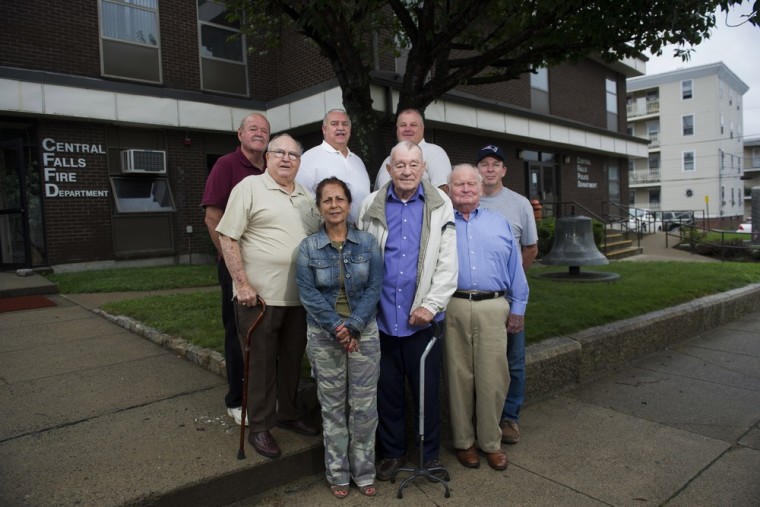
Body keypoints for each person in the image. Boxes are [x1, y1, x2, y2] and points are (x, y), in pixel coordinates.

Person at [357, 140, 458, 481]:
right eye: (400, 164)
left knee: (426, 393)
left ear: (423, 168)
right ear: (389, 169)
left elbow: (448, 263)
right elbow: (360, 257)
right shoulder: (372, 203)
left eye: (414, 164)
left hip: (422, 321)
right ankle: (394, 453)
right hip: (381, 319)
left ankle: (429, 457)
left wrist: (430, 305)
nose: (407, 171)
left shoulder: (439, 203)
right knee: (387, 392)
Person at [216, 134, 322, 459]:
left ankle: (288, 413)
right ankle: (260, 426)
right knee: (260, 361)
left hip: (299, 298)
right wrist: (242, 283)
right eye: (279, 153)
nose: (286, 159)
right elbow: (227, 236)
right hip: (259, 297)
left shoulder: (306, 196)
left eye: (293, 154)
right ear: (267, 157)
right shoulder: (249, 188)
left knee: (292, 358)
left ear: (299, 162)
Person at [296, 177, 383, 499]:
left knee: (363, 407)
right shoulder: (308, 248)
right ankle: (337, 473)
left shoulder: (368, 244)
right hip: (323, 335)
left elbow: (375, 287)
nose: (334, 205)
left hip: (364, 334)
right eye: (327, 200)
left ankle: (364, 471)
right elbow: (308, 294)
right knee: (332, 408)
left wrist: (355, 325)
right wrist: (338, 328)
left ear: (349, 205)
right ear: (319, 208)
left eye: (339, 199)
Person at [444, 164, 529, 471]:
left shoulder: (500, 223)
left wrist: (518, 307)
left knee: (493, 377)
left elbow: (515, 269)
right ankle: (464, 443)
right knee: (458, 378)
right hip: (453, 306)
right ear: (449, 190)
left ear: (480, 189)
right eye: (459, 185)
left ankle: (491, 443)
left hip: (495, 307)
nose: (465, 189)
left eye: (471, 184)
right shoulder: (442, 224)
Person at [201, 112, 270, 427]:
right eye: (252, 128)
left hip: (267, 266)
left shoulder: (271, 167)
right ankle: (237, 399)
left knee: (265, 331)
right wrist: (231, 263)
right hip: (234, 265)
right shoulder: (226, 166)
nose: (258, 133)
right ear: (239, 134)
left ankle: (264, 395)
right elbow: (212, 218)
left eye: (264, 130)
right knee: (238, 332)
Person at [475, 144, 538, 445]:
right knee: (479, 359)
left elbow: (530, 247)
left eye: (495, 164)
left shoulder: (519, 203)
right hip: (475, 297)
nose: (489, 169)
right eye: (484, 163)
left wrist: (514, 281)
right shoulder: (467, 200)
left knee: (513, 358)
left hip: (509, 295)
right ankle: (481, 415)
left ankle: (510, 417)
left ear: (503, 170)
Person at [296, 109, 370, 223]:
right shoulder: (309, 159)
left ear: (349, 129)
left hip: (361, 235)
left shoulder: (357, 161)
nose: (340, 128)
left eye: (344, 124)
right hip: (326, 235)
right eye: (334, 124)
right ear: (324, 129)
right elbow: (299, 201)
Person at [374, 109, 452, 193]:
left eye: (413, 125)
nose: (407, 129)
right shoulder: (387, 161)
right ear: (397, 130)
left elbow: (443, 194)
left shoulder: (435, 153)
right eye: (403, 125)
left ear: (422, 128)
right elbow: (376, 196)